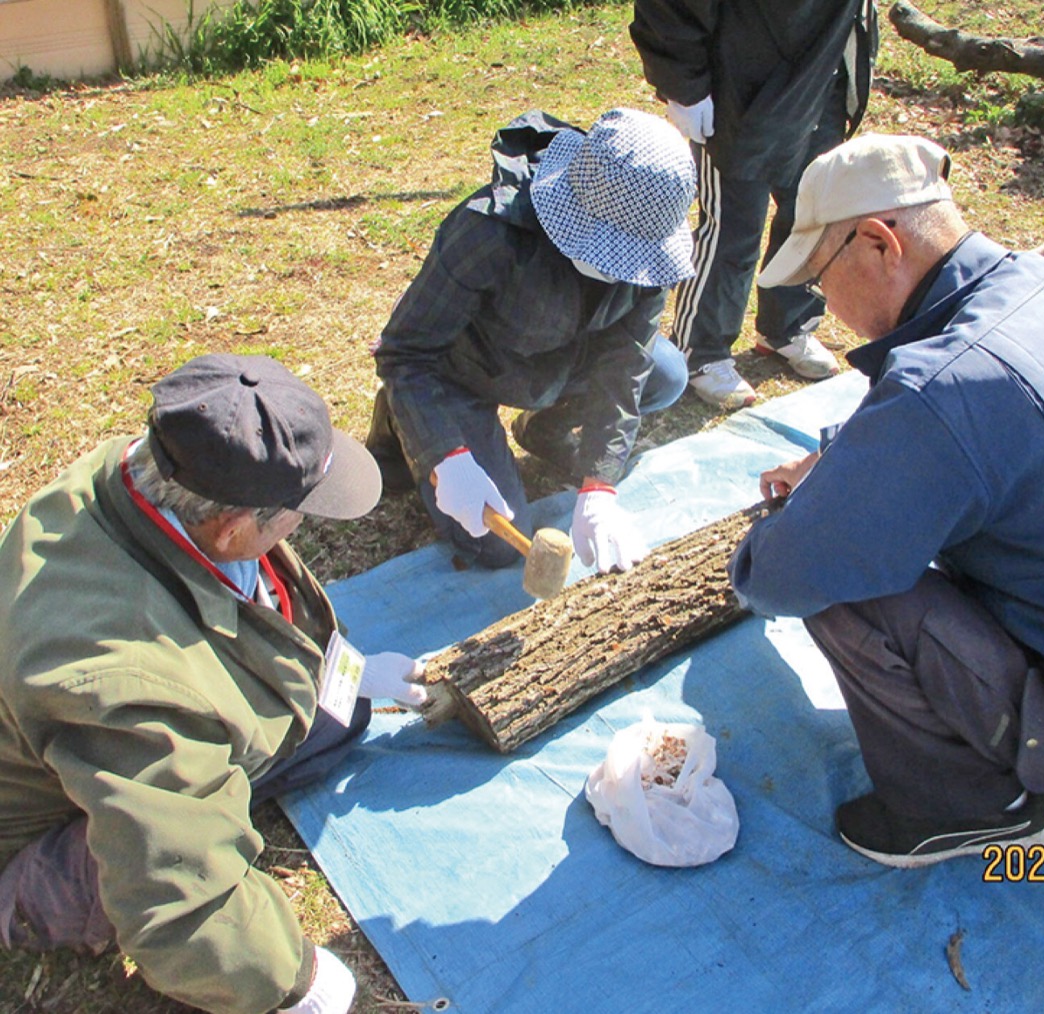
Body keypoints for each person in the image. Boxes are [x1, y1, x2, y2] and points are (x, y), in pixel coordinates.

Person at [729, 134, 1044, 867]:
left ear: (880, 243)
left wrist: (787, 524)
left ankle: (974, 810)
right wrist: (842, 456)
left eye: (821, 280)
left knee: (840, 582)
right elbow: (995, 419)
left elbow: (782, 576)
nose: (825, 305)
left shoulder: (942, 388)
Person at [0, 354, 426, 1013]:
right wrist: (297, 982)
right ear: (232, 528)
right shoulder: (128, 685)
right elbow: (181, 904)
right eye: (297, 513)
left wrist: (340, 670)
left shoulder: (154, 471)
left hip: (86, 731)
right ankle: (29, 899)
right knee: (161, 858)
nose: (303, 525)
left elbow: (260, 595)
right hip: (33, 829)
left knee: (337, 720)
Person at [369, 108, 695, 575]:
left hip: (562, 364)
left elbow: (627, 365)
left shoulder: (647, 247)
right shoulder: (489, 231)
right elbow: (405, 352)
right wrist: (445, 454)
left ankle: (542, 427)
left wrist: (600, 484)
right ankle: (402, 420)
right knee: (496, 545)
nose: (622, 271)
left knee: (666, 374)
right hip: (466, 375)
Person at [629, 0, 878, 410]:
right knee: (733, 228)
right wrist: (683, 86)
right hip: (739, 86)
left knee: (813, 210)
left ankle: (789, 325)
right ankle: (702, 351)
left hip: (822, 70)